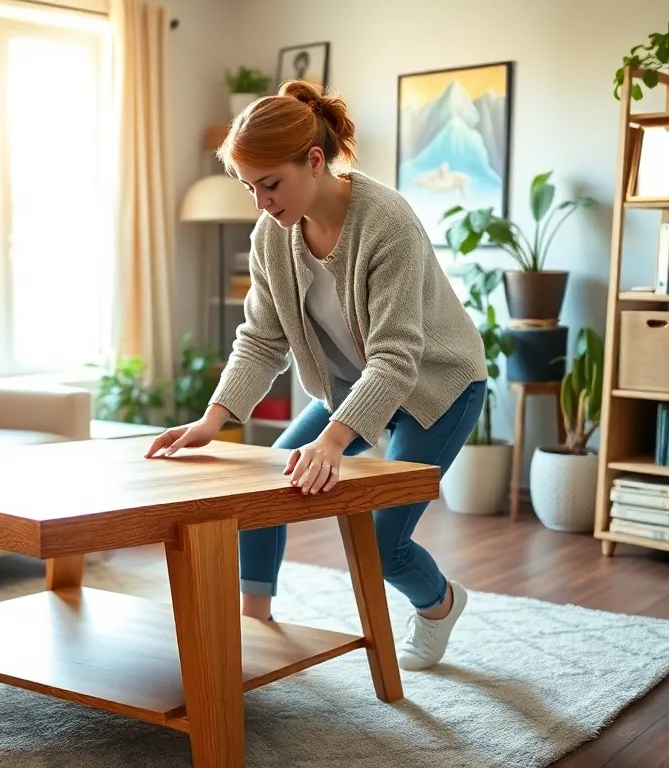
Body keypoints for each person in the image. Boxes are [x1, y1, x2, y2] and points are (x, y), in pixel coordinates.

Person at [144, 80, 488, 672]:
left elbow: (397, 359)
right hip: (353, 389)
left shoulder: (388, 224)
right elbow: (261, 338)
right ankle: (255, 623)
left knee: (383, 542)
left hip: (437, 387)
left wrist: (331, 440)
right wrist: (214, 419)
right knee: (259, 492)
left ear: (314, 160)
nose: (260, 202)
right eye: (249, 186)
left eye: (270, 184)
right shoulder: (270, 236)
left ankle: (440, 605)